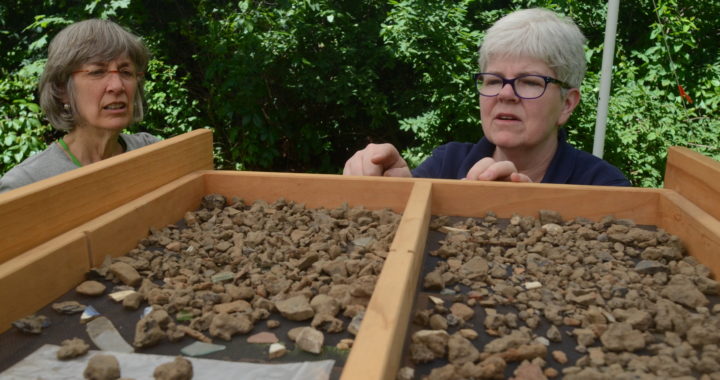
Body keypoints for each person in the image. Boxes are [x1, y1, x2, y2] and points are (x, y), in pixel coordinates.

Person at [343, 8, 631, 186]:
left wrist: (530, 214)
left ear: (567, 104)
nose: (506, 94)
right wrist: (395, 195)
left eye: (530, 82)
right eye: (493, 80)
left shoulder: (603, 186)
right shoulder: (447, 164)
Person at [0, 19, 159, 193]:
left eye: (125, 72)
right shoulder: (25, 185)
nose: (117, 86)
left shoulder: (150, 151)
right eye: (97, 72)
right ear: (62, 89)